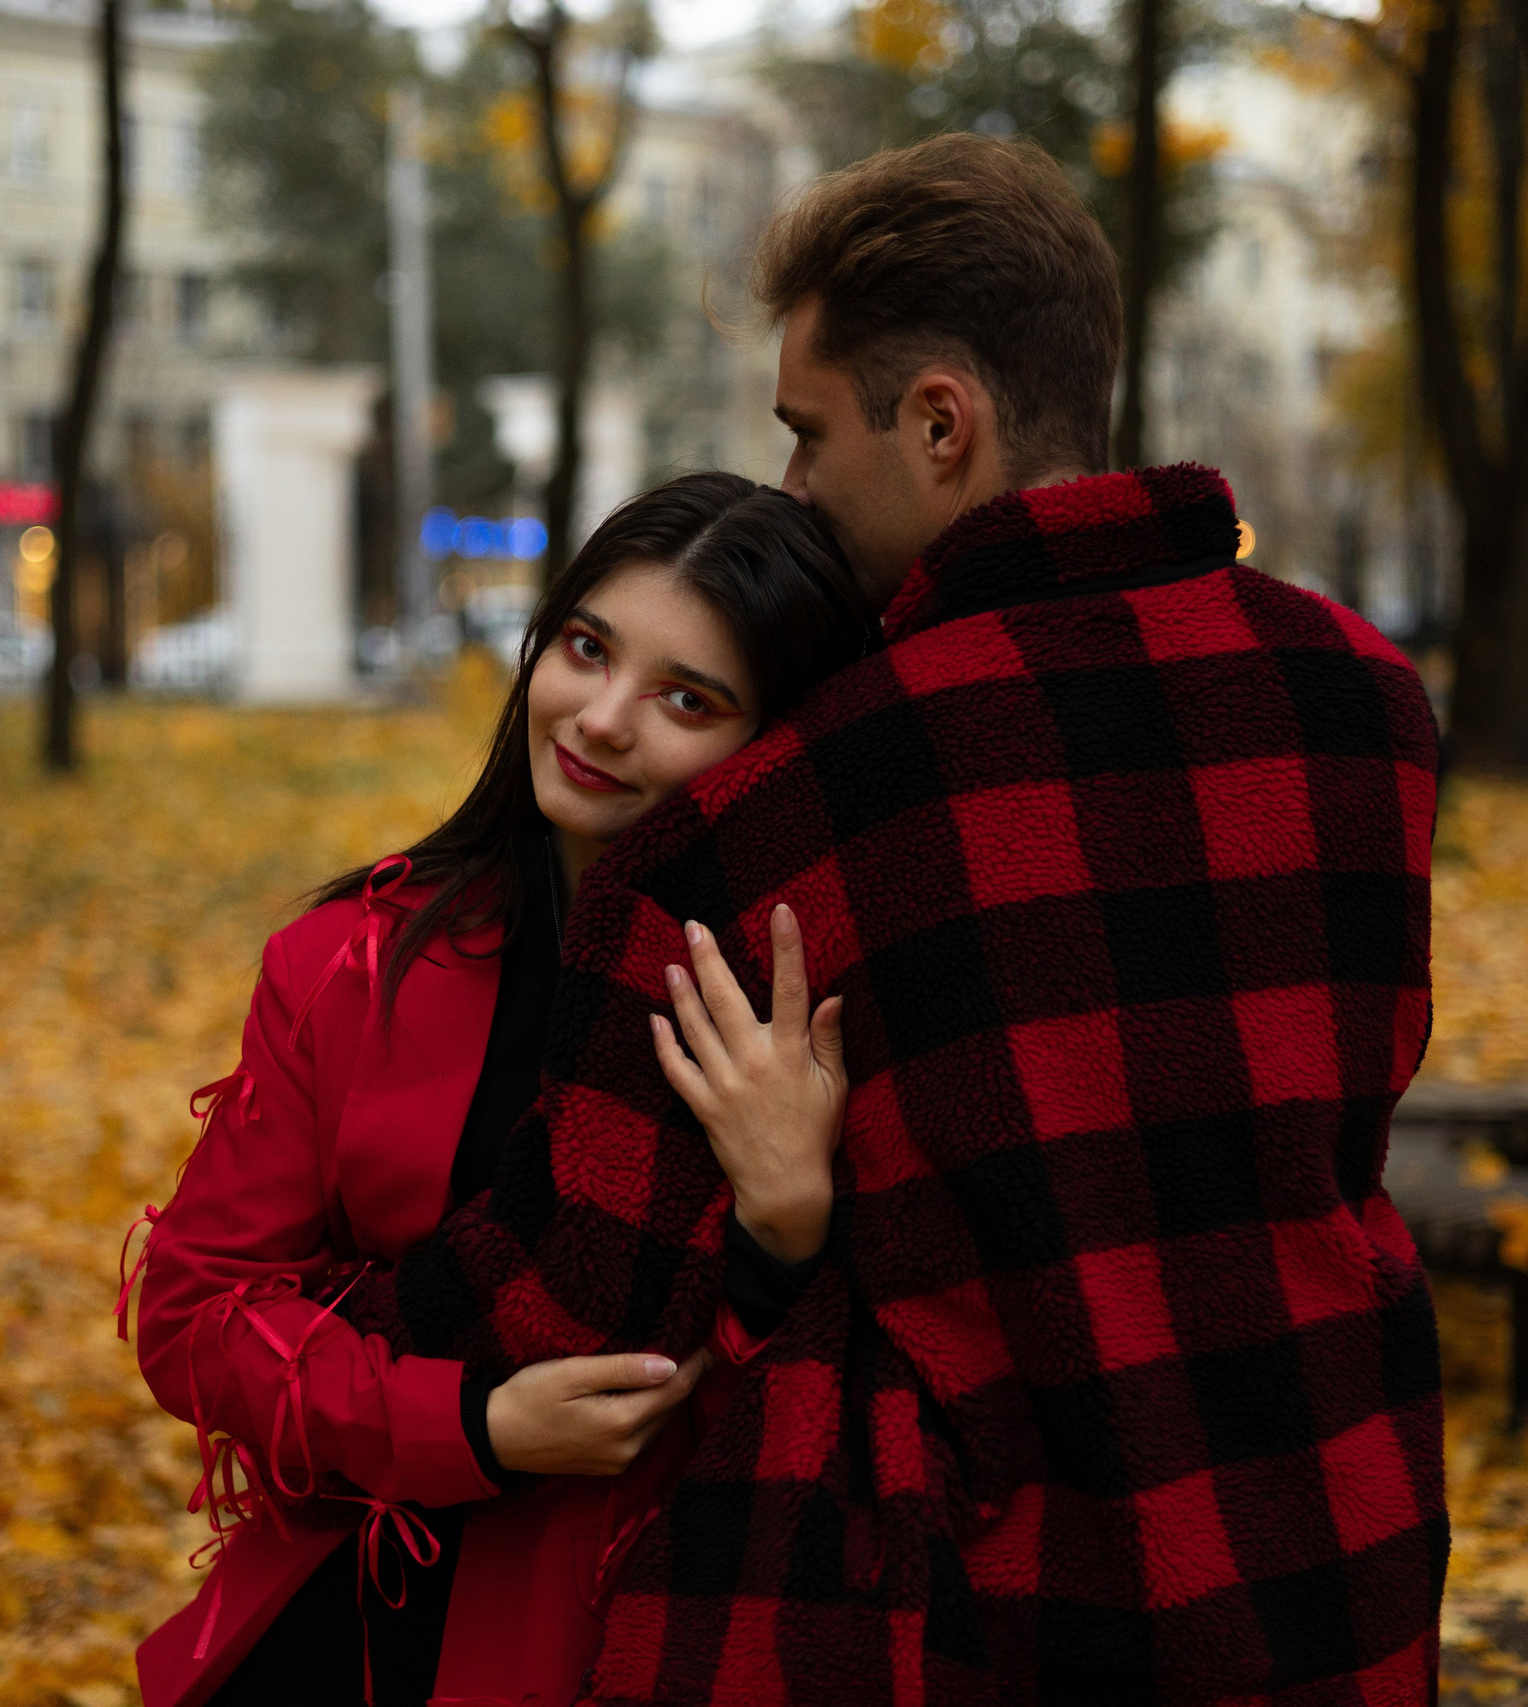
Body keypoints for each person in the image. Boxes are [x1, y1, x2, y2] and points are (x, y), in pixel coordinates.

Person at [333, 131, 1450, 1704]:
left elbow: (566, 1293)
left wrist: (320, 1325)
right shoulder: (1365, 702)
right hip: (1328, 1541)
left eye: (805, 433)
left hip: (979, 1611)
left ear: (942, 422)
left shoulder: (790, 811)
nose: (792, 484)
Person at [125, 473, 876, 1707]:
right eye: (587, 648)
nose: (601, 717)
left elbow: (846, 1417)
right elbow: (196, 1317)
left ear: (771, 749)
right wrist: (470, 1425)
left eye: (687, 698)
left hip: (632, 1642)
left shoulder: (798, 1017)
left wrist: (786, 1227)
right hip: (352, 1623)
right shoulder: (353, 964)